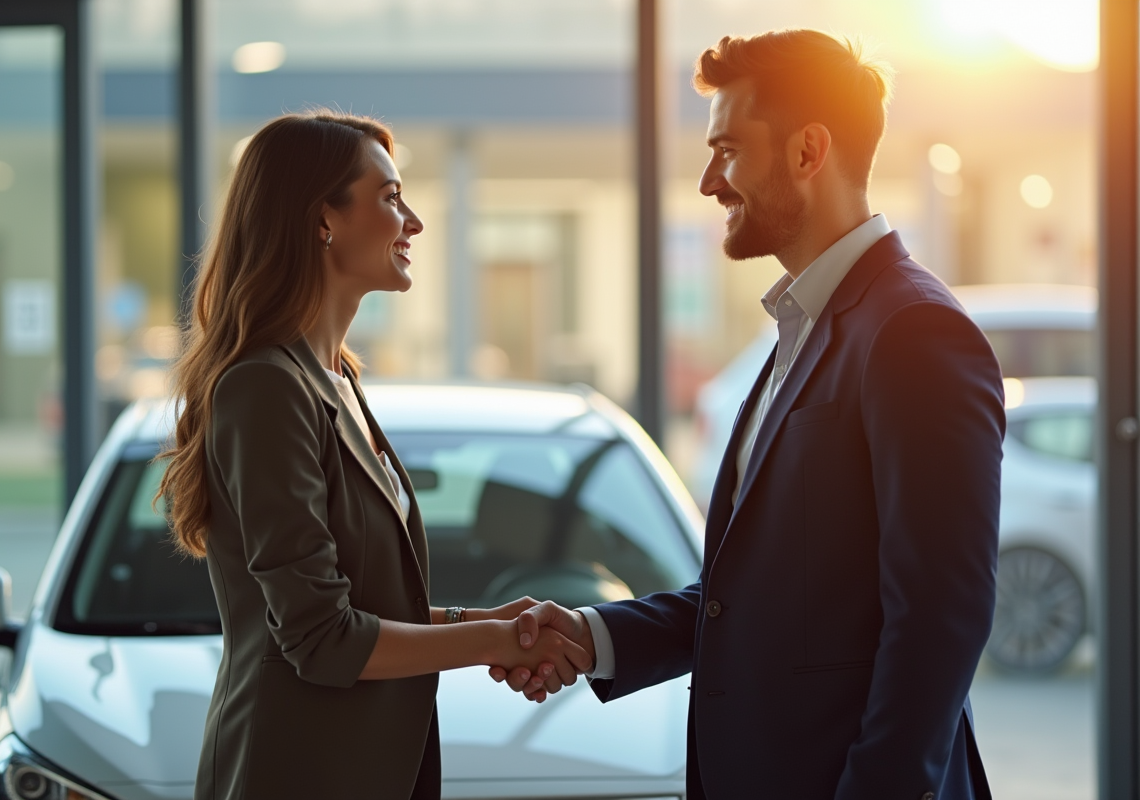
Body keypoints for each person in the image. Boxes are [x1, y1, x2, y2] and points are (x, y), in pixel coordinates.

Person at [500, 29, 1002, 800]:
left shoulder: (914, 333)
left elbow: (940, 618)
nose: (708, 181)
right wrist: (591, 635)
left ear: (808, 151)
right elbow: (752, 601)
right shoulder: (803, 331)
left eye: (727, 150)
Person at [156, 110, 589, 800]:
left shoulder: (338, 379)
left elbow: (376, 606)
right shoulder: (265, 386)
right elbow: (323, 636)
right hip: (294, 774)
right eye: (389, 198)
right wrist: (494, 644)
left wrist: (499, 622)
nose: (412, 221)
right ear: (320, 219)